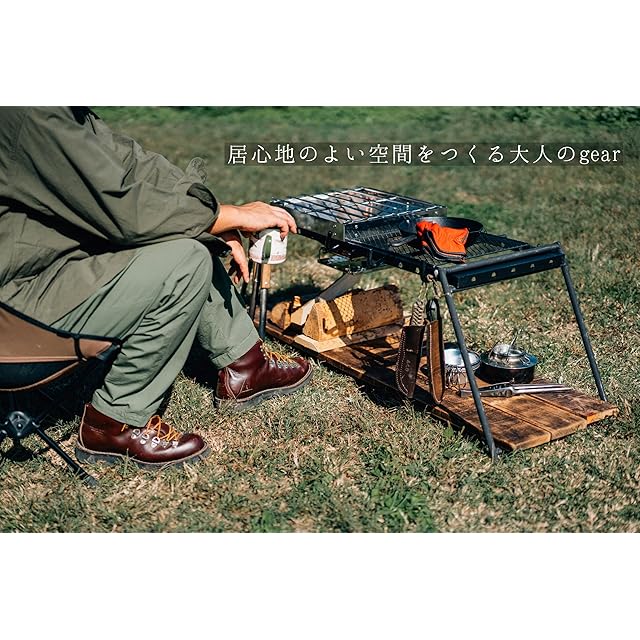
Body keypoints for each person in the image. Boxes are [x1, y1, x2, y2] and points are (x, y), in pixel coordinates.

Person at [0, 107, 311, 470]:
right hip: (17, 306)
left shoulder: (59, 108)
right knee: (184, 259)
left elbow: (132, 164)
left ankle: (246, 365)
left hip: (48, 272)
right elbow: (126, 210)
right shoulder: (28, 111)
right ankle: (113, 423)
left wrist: (211, 214)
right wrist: (219, 218)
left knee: (182, 228)